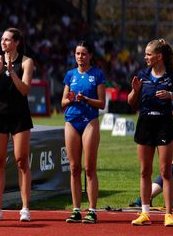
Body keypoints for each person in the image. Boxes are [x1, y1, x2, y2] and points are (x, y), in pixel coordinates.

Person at [127, 38, 173, 227]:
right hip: (145, 123)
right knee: (144, 171)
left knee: (165, 171)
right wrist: (135, 90)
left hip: (164, 123)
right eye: (145, 54)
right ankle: (145, 213)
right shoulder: (142, 74)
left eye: (148, 54)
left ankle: (169, 214)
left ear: (159, 56)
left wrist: (170, 95)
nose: (145, 57)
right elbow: (131, 102)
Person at [0, 28, 34, 222]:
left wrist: (12, 71)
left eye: (7, 40)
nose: (3, 43)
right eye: (2, 40)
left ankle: (25, 208)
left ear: (17, 42)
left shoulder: (27, 62)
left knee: (22, 160)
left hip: (19, 114)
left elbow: (24, 89)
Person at [61, 41, 106, 224]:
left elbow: (102, 103)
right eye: (78, 54)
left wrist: (86, 99)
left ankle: (93, 210)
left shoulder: (97, 74)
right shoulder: (70, 75)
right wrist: (70, 99)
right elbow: (63, 102)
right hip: (71, 121)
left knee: (89, 167)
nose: (80, 57)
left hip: (90, 121)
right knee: (74, 168)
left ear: (90, 56)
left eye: (84, 54)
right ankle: (76, 209)